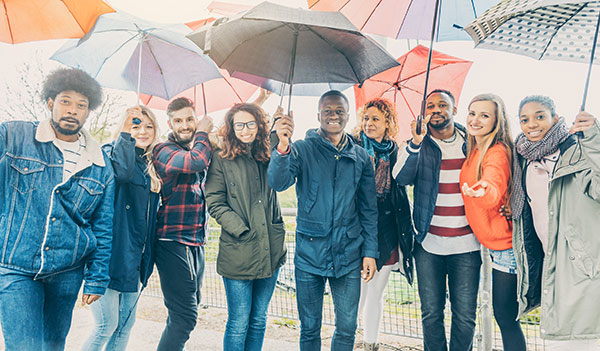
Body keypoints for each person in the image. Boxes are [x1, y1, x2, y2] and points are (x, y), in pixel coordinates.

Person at [0, 68, 115, 350]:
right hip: (16, 266)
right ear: (50, 102)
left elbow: (103, 224)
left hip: (67, 271)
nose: (72, 110)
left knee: (53, 347)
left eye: (81, 105)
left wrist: (96, 279)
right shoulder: (14, 136)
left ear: (89, 112)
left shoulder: (100, 164)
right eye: (65, 101)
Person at [268, 90, 379, 351]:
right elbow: (278, 182)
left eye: (339, 111)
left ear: (347, 115)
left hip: (349, 254)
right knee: (309, 328)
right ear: (318, 115)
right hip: (309, 254)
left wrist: (370, 252)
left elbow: (369, 210)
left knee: (347, 327)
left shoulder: (361, 157)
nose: (333, 116)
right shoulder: (301, 150)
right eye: (328, 111)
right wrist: (282, 145)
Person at [392, 89, 481, 351]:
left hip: (468, 245)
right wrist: (416, 143)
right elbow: (401, 178)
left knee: (465, 316)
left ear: (455, 110)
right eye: (430, 105)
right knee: (431, 313)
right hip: (428, 244)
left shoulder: (472, 142)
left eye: (443, 104)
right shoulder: (419, 145)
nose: (436, 109)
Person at [510, 95, 600, 351]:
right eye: (525, 119)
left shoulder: (577, 152)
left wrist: (594, 138)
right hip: (548, 258)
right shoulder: (524, 158)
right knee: (558, 339)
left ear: (555, 119)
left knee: (578, 340)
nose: (532, 124)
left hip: (578, 262)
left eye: (540, 116)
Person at [205, 103, 287, 351]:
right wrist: (240, 228)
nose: (245, 129)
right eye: (239, 124)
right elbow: (215, 201)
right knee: (239, 321)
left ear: (259, 125)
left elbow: (283, 177)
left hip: (271, 249)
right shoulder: (221, 159)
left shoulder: (268, 154)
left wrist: (280, 132)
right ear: (231, 128)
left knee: (259, 320)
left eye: (251, 123)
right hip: (238, 250)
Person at [82, 106, 161, 350]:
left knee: (125, 326)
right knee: (106, 325)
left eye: (149, 126)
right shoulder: (111, 153)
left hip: (134, 259)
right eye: (136, 125)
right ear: (124, 128)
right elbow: (122, 174)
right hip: (110, 255)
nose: (143, 131)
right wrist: (126, 135)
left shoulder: (149, 165)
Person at [459, 94, 526, 351]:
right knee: (505, 316)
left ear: (497, 121)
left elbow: (493, 181)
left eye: (484, 115)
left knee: (505, 317)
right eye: (472, 113)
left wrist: (482, 191)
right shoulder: (475, 148)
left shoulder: (497, 151)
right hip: (493, 243)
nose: (475, 120)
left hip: (506, 248)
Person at [352, 98, 414, 351]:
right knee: (357, 293)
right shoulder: (353, 146)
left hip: (387, 228)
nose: (369, 123)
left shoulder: (396, 151)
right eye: (366, 118)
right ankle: (347, 336)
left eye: (375, 119)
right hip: (357, 229)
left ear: (388, 123)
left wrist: (413, 149)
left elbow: (404, 182)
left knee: (376, 293)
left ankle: (370, 343)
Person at [152, 97, 213, 351]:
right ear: (170, 123)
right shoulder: (163, 150)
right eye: (179, 121)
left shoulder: (198, 147)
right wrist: (203, 133)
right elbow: (195, 162)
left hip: (196, 240)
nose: (185, 125)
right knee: (184, 316)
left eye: (190, 119)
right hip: (172, 242)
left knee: (188, 308)